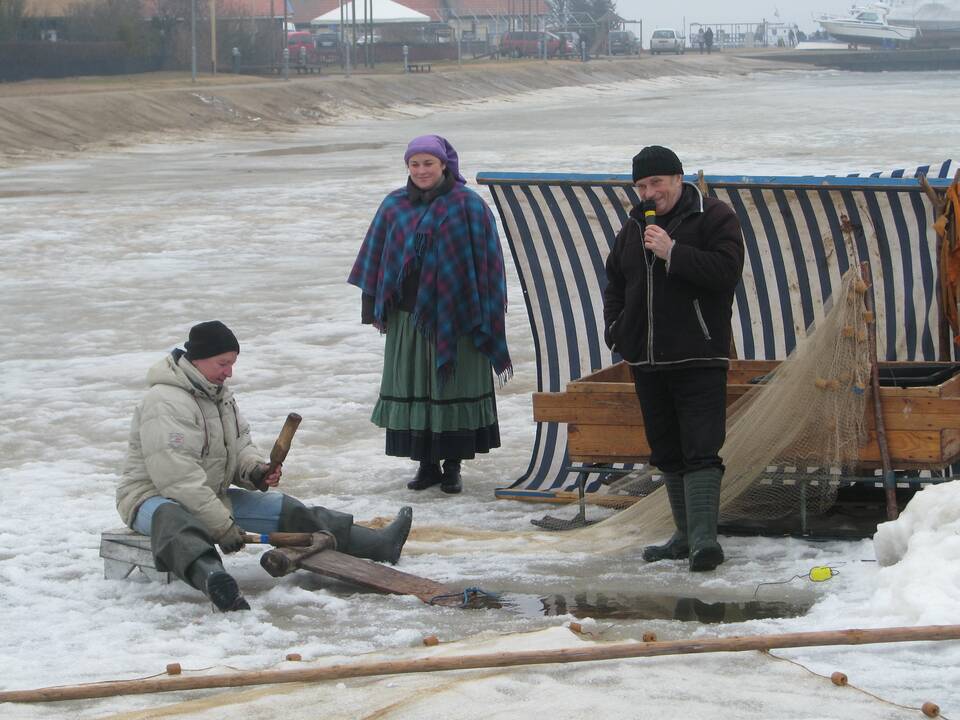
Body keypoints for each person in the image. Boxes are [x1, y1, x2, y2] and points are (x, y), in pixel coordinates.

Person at [116, 321, 413, 612]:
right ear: (198, 359)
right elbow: (177, 480)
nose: (229, 372)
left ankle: (378, 544)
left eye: (232, 364)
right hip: (152, 499)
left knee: (285, 509)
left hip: (208, 496)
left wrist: (255, 470)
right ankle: (213, 579)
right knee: (176, 520)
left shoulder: (219, 396)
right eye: (223, 363)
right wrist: (222, 527)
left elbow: (239, 445)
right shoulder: (166, 403)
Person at [602, 146, 744, 572]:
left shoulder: (715, 216)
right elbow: (614, 282)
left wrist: (673, 252)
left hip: (698, 355)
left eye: (657, 183)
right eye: (641, 185)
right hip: (646, 360)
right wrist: (618, 329)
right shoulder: (632, 226)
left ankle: (705, 540)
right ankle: (684, 536)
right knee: (666, 450)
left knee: (701, 448)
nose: (649, 193)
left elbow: (726, 271)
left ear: (679, 179)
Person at [348, 135, 511, 495]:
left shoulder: (469, 206)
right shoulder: (394, 206)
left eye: (428, 163)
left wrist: (485, 314)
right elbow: (375, 260)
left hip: (459, 319)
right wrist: (373, 307)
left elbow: (490, 265)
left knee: (451, 386)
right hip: (410, 318)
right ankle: (426, 465)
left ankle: (452, 467)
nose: (421, 170)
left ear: (444, 165)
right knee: (418, 387)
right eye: (414, 163)